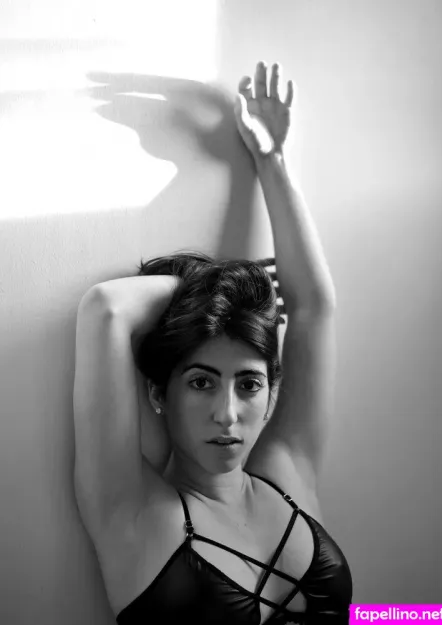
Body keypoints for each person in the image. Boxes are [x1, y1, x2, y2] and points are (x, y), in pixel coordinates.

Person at [73, 61, 353, 625]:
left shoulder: (284, 471)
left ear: (270, 394)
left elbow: (314, 309)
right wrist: (216, 289)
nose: (228, 413)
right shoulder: (136, 514)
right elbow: (107, 310)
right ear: (159, 394)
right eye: (202, 382)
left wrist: (271, 160)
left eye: (248, 384)